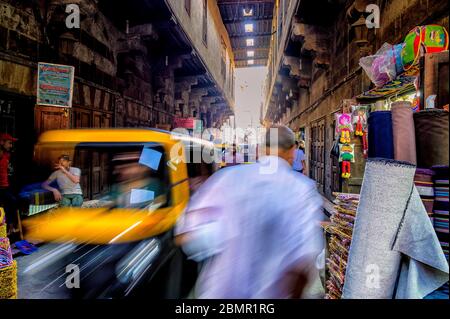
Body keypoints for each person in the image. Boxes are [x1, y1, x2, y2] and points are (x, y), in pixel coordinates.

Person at [175, 125, 324, 298]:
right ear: (292, 150)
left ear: (262, 149)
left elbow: (187, 236)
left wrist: (229, 234)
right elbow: (305, 261)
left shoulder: (228, 178)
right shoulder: (301, 190)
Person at [0, 133, 19, 234]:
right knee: (11, 202)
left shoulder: (7, 155)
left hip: (6, 185)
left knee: (12, 203)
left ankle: (10, 228)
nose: (11, 145)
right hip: (1, 187)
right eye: (9, 143)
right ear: (2, 142)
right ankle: (9, 228)